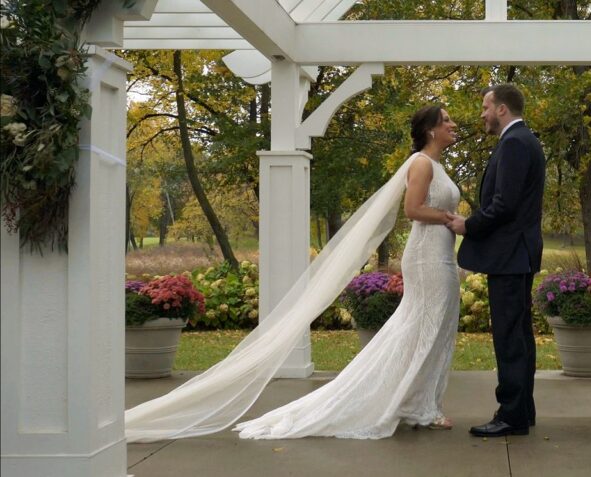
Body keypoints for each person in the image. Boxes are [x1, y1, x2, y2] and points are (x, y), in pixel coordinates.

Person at [125, 105, 464, 441]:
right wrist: (451, 219)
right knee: (425, 328)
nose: (453, 124)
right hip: (427, 257)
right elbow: (412, 209)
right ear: (431, 130)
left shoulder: (436, 164)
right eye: (446, 120)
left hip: (440, 253)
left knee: (432, 329)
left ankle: (418, 401)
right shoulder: (421, 163)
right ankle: (417, 405)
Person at [446, 84, 546, 437]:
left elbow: (504, 205)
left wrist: (467, 225)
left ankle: (511, 415)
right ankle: (523, 410)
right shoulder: (523, 141)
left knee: (509, 336)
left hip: (510, 254)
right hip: (518, 253)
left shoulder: (515, 143)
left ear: (502, 109)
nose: (482, 114)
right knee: (518, 335)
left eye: (486, 107)